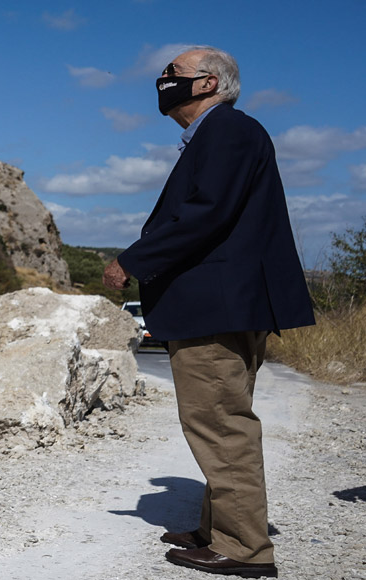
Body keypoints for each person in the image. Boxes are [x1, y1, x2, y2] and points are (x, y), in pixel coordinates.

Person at [103, 45, 315, 578]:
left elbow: (207, 213)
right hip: (223, 306)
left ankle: (244, 548)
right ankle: (219, 527)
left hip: (217, 309)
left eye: (171, 73)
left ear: (207, 84)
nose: (161, 81)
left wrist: (133, 260)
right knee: (218, 417)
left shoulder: (227, 130)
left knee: (219, 423)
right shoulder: (223, 134)